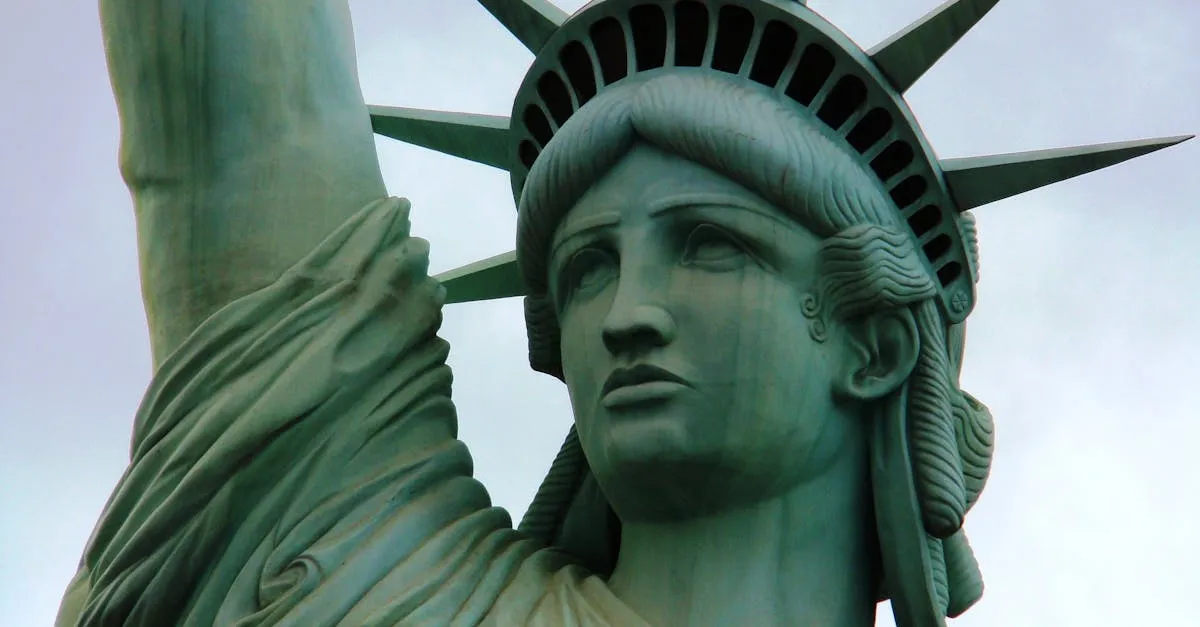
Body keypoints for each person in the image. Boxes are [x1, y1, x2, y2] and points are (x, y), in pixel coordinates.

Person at [58, 0, 1181, 625]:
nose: (626, 315)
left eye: (710, 248)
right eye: (587, 269)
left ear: (876, 344)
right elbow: (234, 115)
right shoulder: (373, 572)